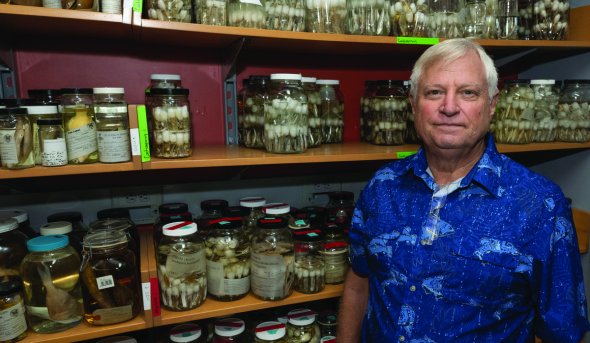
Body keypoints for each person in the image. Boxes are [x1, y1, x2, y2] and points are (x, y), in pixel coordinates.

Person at [337, 38, 590, 342]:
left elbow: (563, 330)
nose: (449, 107)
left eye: (468, 92)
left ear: (492, 105)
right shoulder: (382, 187)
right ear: (413, 103)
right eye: (435, 92)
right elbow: (359, 280)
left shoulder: (541, 204)